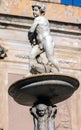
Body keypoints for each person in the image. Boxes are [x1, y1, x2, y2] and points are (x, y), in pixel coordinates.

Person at [28, 2, 60, 72]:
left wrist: (30, 39)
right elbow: (38, 31)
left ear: (41, 11)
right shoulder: (44, 20)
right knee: (31, 56)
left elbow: (31, 31)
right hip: (40, 43)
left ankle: (60, 71)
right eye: (33, 10)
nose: (34, 12)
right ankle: (32, 72)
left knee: (50, 59)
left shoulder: (38, 19)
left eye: (36, 10)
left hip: (46, 41)